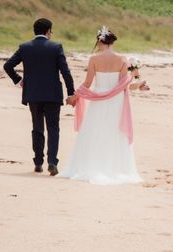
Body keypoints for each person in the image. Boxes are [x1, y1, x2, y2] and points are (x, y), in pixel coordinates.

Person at [58, 26, 148, 185]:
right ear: (111, 42)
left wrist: (75, 96)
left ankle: (90, 165)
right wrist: (136, 81)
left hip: (98, 100)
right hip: (116, 100)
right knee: (114, 132)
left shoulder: (94, 59)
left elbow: (87, 83)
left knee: (95, 130)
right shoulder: (122, 59)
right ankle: (115, 167)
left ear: (101, 41)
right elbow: (123, 85)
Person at [3, 18, 76, 176]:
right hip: (53, 95)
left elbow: (7, 65)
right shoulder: (56, 47)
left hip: (33, 94)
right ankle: (52, 162)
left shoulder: (25, 47)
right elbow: (65, 72)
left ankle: (38, 162)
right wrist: (71, 92)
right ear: (48, 31)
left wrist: (19, 80)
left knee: (37, 128)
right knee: (53, 128)